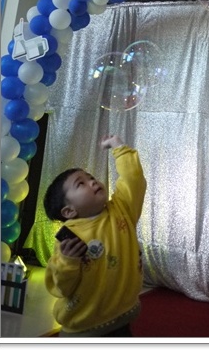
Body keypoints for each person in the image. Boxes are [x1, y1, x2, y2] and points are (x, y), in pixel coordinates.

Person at [43, 134, 147, 337]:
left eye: (90, 177)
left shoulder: (122, 209)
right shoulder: (70, 239)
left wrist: (118, 147)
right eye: (80, 184)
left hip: (121, 316)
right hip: (83, 328)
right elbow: (60, 288)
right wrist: (68, 261)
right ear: (69, 211)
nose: (92, 181)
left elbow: (133, 179)